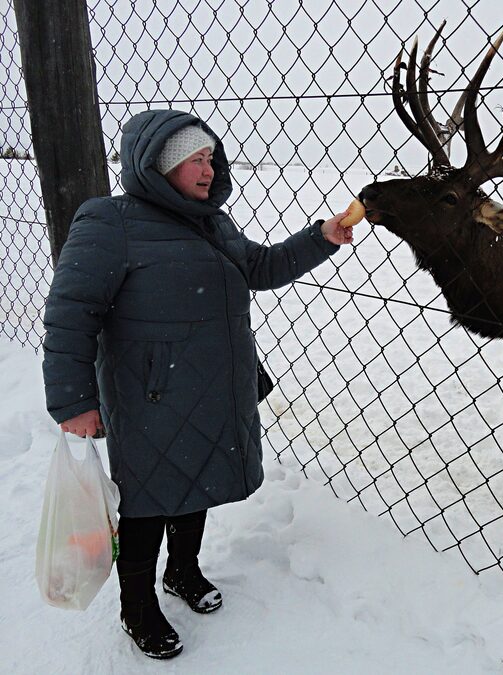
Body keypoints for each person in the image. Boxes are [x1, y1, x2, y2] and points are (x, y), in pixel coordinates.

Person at [41, 110, 355, 659]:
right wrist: (73, 400)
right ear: (158, 165)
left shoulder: (215, 222)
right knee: (145, 503)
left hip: (215, 387)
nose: (207, 170)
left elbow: (259, 267)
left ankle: (182, 572)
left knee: (198, 478)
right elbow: (72, 313)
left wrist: (322, 237)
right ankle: (137, 606)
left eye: (210, 157)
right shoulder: (108, 222)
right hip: (149, 396)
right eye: (193, 160)